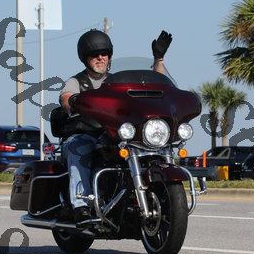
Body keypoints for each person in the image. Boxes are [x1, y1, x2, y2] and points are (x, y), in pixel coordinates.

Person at [59, 29, 173, 222]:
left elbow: (157, 88)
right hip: (88, 133)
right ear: (85, 58)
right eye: (94, 54)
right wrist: (73, 100)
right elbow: (66, 97)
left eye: (104, 53)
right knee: (78, 148)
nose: (100, 58)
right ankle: (81, 204)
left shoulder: (119, 82)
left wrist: (159, 60)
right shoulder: (77, 81)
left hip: (116, 134)